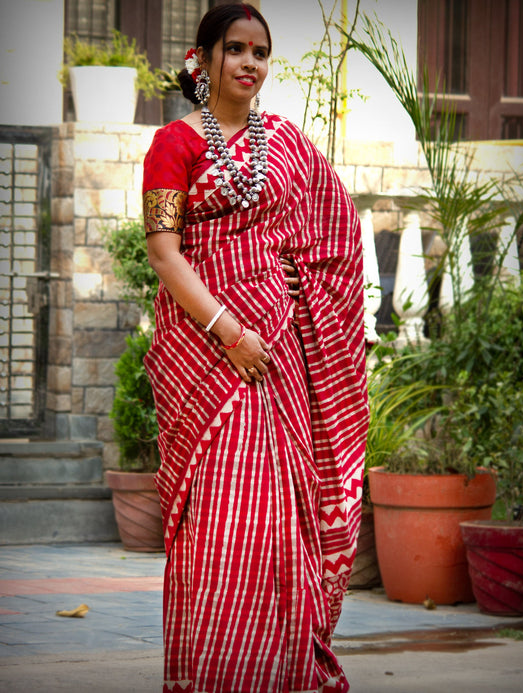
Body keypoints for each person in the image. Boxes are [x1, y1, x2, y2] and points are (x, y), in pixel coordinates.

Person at [142, 3, 369, 691]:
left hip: (278, 353)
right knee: (217, 517)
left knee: (277, 516)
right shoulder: (173, 143)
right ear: (203, 58)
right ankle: (213, 669)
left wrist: (298, 323)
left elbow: (334, 233)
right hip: (204, 351)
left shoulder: (288, 143)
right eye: (235, 49)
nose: (248, 63)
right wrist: (229, 331)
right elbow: (162, 252)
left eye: (260, 52)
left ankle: (283, 668)